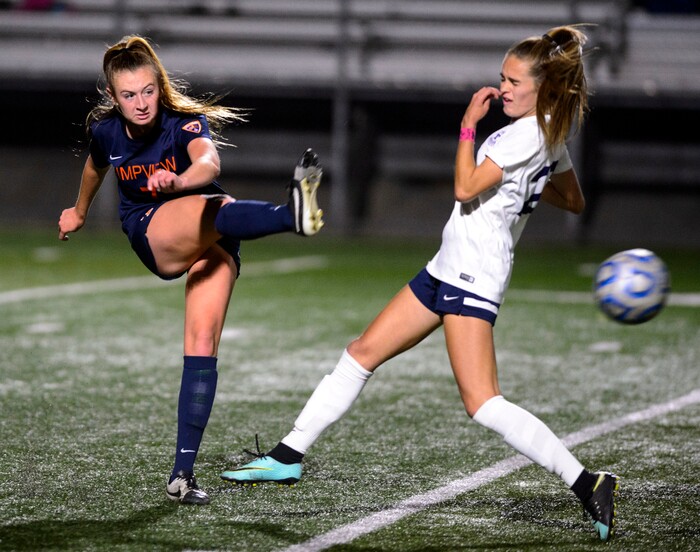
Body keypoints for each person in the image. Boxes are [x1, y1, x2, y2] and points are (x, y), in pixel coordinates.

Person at [221, 25, 620, 541]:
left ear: (542, 89)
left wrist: (466, 126)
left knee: (483, 403)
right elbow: (573, 199)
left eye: (513, 81)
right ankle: (287, 454)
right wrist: (524, 185)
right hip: (446, 265)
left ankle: (587, 481)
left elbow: (463, 186)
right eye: (501, 77)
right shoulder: (548, 131)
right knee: (361, 352)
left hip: (472, 272)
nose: (503, 89)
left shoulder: (521, 133)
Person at [57, 35, 324, 505]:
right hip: (152, 229)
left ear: (159, 85)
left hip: (214, 231)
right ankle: (291, 217)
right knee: (215, 206)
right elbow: (95, 168)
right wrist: (79, 211)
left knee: (202, 348)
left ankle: (181, 475)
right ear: (112, 96)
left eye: (147, 91)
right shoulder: (106, 133)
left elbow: (209, 161)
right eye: (128, 95)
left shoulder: (183, 123)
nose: (140, 103)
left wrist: (179, 180)